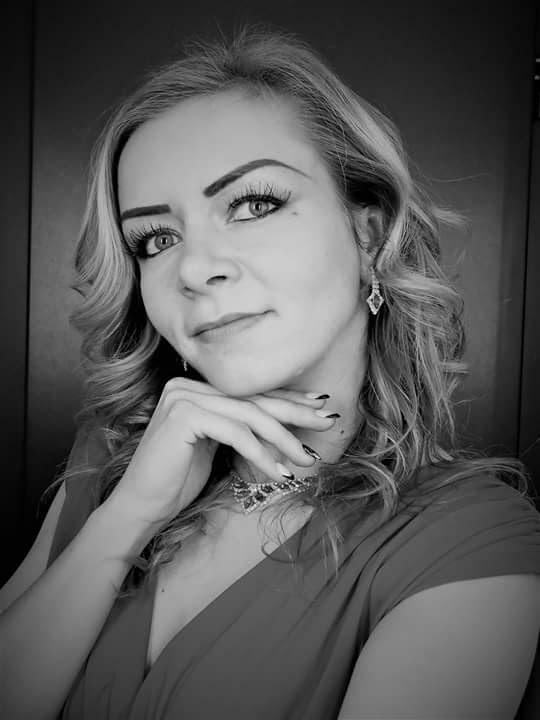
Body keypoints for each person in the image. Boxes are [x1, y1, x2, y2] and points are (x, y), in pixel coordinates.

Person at [1, 23, 539, 720]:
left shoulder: (467, 539)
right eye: (156, 239)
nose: (195, 268)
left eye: (253, 204)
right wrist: (126, 517)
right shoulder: (106, 463)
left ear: (369, 235)